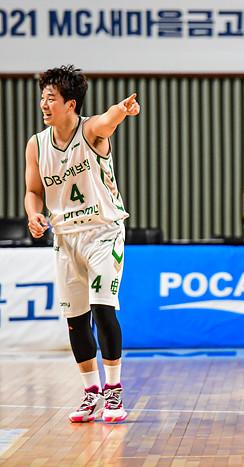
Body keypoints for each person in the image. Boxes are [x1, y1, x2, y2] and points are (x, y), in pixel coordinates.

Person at [24, 65, 139, 423]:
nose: (44, 104)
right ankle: (91, 392)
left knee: (103, 309)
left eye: (51, 98)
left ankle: (114, 390)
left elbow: (107, 121)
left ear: (70, 104)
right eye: (43, 98)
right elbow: (33, 191)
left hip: (103, 232)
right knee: (75, 320)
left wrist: (122, 110)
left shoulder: (90, 131)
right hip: (65, 237)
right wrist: (33, 214)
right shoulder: (37, 144)